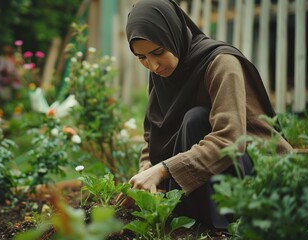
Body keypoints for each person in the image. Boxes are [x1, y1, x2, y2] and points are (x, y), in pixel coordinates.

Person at [120, 0, 293, 230]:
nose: (152, 65)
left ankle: (221, 224)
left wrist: (162, 169)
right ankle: (196, 217)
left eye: (158, 52)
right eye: (141, 58)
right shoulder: (160, 72)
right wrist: (146, 173)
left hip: (257, 170)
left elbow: (230, 140)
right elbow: (154, 132)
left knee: (196, 119)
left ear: (173, 34)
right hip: (208, 178)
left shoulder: (220, 63)